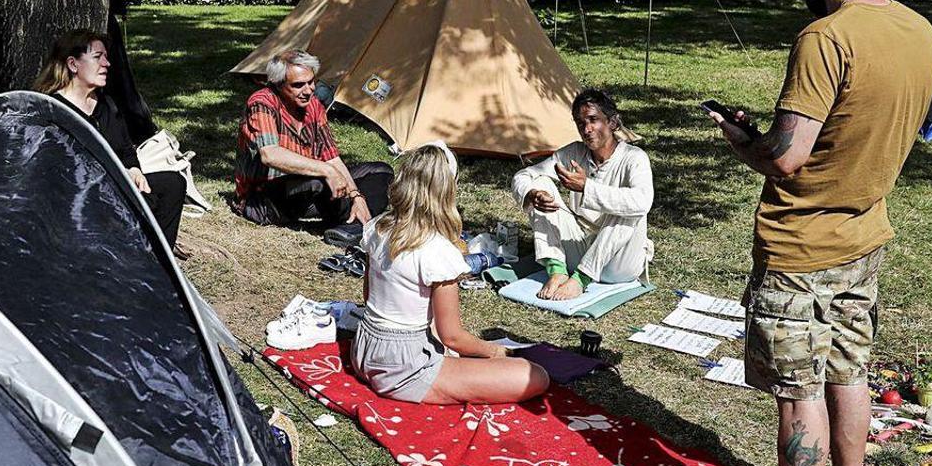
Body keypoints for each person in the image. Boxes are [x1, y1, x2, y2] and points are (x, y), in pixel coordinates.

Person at [707, 0, 932, 466]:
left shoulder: (825, 38)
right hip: (864, 236)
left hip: (800, 249)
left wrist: (741, 139)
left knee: (798, 394)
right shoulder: (918, 29)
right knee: (849, 374)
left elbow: (785, 157)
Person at [352, 143, 549, 404]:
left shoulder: (377, 227)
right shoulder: (438, 250)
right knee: (534, 375)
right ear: (446, 191)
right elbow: (452, 336)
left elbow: (369, 296)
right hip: (406, 366)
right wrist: (495, 351)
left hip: (365, 347)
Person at [36, 29, 189, 254]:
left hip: (115, 186)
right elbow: (56, 169)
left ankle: (159, 262)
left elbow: (126, 149)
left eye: (106, 57)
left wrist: (134, 170)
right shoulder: (53, 110)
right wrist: (114, 177)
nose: (107, 63)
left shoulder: (107, 104)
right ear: (73, 64)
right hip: (76, 196)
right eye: (98, 57)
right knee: (137, 203)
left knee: (172, 183)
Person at [232, 50, 392, 247]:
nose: (308, 90)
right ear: (277, 85)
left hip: (306, 189)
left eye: (311, 82)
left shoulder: (314, 106)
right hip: (263, 199)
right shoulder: (262, 102)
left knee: (380, 170)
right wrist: (326, 170)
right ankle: (356, 224)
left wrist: (356, 195)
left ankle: (355, 226)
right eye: (298, 85)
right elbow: (270, 154)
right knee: (319, 180)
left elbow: (332, 158)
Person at [511, 89, 653, 301]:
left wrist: (587, 187)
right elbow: (524, 175)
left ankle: (581, 279)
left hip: (619, 264)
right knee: (539, 183)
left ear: (613, 123)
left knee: (631, 208)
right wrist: (532, 194)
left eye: (593, 120)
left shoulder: (634, 158)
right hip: (580, 250)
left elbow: (642, 202)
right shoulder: (573, 153)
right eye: (580, 123)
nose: (586, 129)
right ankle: (557, 270)